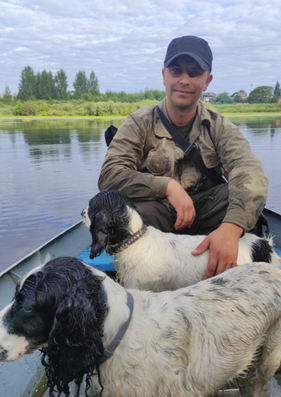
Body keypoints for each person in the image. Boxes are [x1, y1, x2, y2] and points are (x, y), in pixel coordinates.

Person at [99, 35, 269, 279]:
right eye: (176, 70)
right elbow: (109, 175)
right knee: (135, 211)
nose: (184, 80)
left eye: (194, 72)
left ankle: (224, 253)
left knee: (240, 197)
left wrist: (231, 229)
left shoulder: (219, 126)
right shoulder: (138, 122)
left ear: (207, 80)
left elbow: (251, 173)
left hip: (208, 215)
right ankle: (143, 277)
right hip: (158, 220)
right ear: (164, 75)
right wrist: (168, 187)